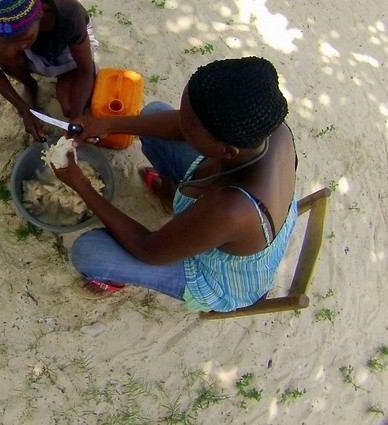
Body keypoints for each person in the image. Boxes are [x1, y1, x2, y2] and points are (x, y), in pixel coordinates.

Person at [52, 57, 298, 312]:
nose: (181, 125)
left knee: (89, 252)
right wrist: (109, 124)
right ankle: (170, 196)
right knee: (154, 113)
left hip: (218, 277)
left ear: (226, 151)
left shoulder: (231, 210)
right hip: (226, 211)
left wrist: (80, 184)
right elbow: (181, 123)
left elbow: (148, 249)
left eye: (189, 128)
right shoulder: (268, 130)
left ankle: (114, 279)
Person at [0, 0, 97, 141]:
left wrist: (75, 121)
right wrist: (24, 109)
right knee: (3, 50)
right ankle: (30, 85)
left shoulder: (68, 13)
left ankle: (66, 74)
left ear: (39, 15)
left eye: (24, 38)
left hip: (67, 47)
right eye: (10, 39)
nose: (20, 47)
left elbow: (86, 69)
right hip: (38, 46)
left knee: (70, 107)